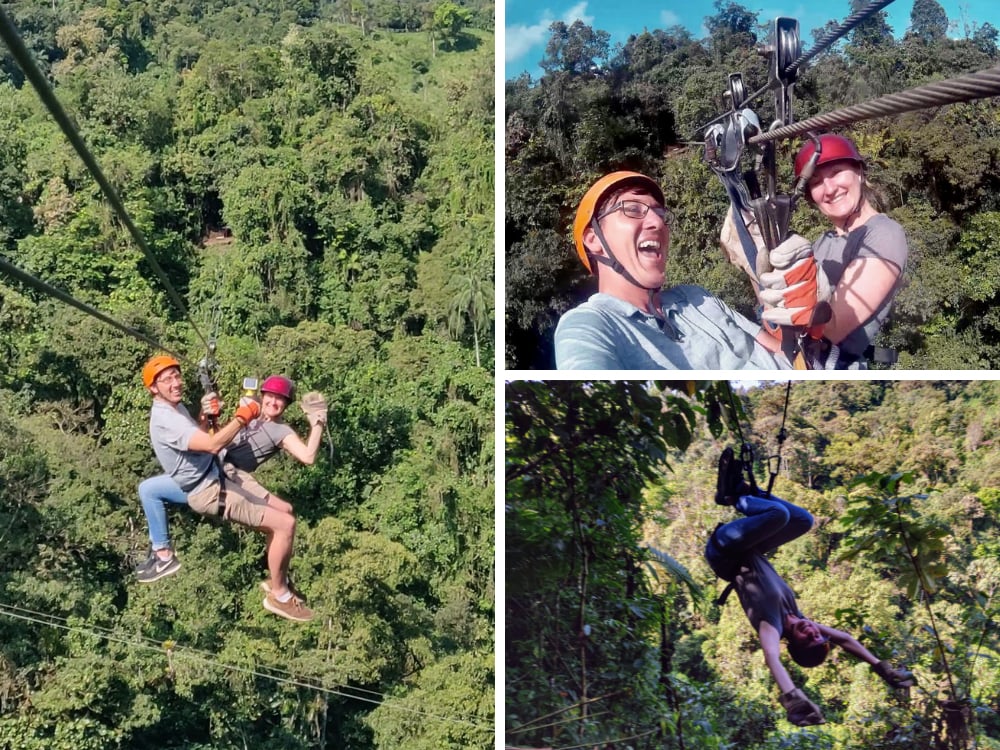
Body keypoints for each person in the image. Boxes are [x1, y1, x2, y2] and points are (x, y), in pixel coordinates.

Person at [704, 447, 916, 726]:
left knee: (778, 515)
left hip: (725, 550)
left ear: (794, 644)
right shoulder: (801, 618)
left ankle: (734, 496)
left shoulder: (771, 626)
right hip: (750, 548)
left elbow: (771, 657)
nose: (814, 632)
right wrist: (880, 667)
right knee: (804, 520)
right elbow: (843, 638)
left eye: (809, 639)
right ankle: (740, 490)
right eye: (819, 636)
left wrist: (792, 696)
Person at [135, 355, 315, 623]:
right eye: (167, 380)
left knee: (149, 488)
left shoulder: (173, 408)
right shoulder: (166, 419)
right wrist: (242, 418)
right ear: (153, 388)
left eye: (176, 376)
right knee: (285, 525)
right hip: (210, 489)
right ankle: (280, 594)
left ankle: (162, 553)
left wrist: (206, 418)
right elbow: (211, 445)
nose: (175, 383)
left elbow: (199, 438)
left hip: (209, 474)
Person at [554, 171, 792, 370]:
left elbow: (779, 349)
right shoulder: (591, 324)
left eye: (660, 213)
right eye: (633, 210)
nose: (657, 222)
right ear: (594, 239)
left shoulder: (697, 297)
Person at [721, 133, 908, 369]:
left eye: (836, 172)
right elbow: (777, 313)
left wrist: (802, 293)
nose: (829, 189)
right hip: (792, 351)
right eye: (817, 181)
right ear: (811, 196)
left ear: (859, 172)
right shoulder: (822, 241)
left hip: (825, 363)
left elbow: (833, 328)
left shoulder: (884, 233)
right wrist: (755, 266)